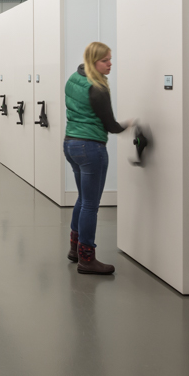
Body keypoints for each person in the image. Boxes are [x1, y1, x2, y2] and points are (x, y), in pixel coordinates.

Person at [64, 41, 131, 275]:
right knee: (91, 205)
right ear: (94, 62)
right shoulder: (98, 88)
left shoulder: (74, 78)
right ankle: (87, 259)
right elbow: (111, 125)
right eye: (105, 60)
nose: (110, 64)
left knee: (83, 199)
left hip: (71, 144)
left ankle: (75, 249)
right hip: (91, 147)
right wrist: (130, 125)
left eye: (110, 59)